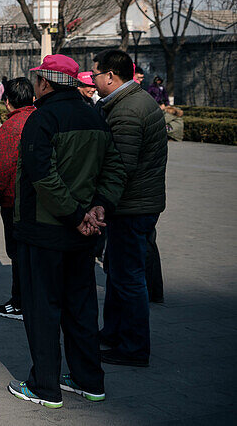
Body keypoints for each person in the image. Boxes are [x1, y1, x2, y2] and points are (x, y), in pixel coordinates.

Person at [8, 54, 125, 409]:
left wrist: (77, 214)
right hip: (84, 232)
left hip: (46, 231)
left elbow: (42, 176)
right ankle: (89, 380)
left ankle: (45, 386)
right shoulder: (95, 115)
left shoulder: (42, 118)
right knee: (82, 307)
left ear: (45, 82)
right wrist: (99, 206)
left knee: (43, 309)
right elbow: (115, 168)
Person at [93, 48, 168, 363]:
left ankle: (134, 347)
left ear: (111, 75)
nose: (93, 80)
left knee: (129, 277)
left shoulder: (126, 111)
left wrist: (100, 205)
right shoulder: (132, 101)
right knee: (119, 273)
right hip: (135, 203)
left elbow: (120, 166)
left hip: (131, 206)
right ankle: (113, 333)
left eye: (95, 74)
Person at [0, 77, 36, 321]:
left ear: (7, 102)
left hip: (15, 199)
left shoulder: (11, 127)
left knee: (18, 254)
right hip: (40, 198)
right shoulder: (40, 118)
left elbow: (3, 166)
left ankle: (20, 303)